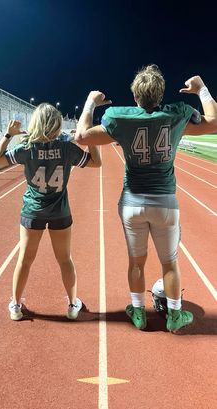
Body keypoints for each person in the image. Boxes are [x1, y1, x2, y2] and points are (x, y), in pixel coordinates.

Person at [75, 64, 217, 332]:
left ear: (135, 95)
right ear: (160, 93)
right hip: (164, 201)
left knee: (136, 261)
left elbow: (82, 136)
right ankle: (175, 316)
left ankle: (138, 312)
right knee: (170, 262)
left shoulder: (121, 118)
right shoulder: (176, 115)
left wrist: (90, 103)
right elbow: (214, 121)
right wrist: (201, 89)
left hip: (132, 201)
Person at [0, 103, 102, 321]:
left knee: (24, 259)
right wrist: (90, 138)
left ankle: (15, 306)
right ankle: (71, 305)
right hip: (60, 211)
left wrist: (8, 135)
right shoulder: (67, 149)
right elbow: (96, 163)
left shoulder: (26, 148)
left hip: (33, 211)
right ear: (58, 124)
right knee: (65, 259)